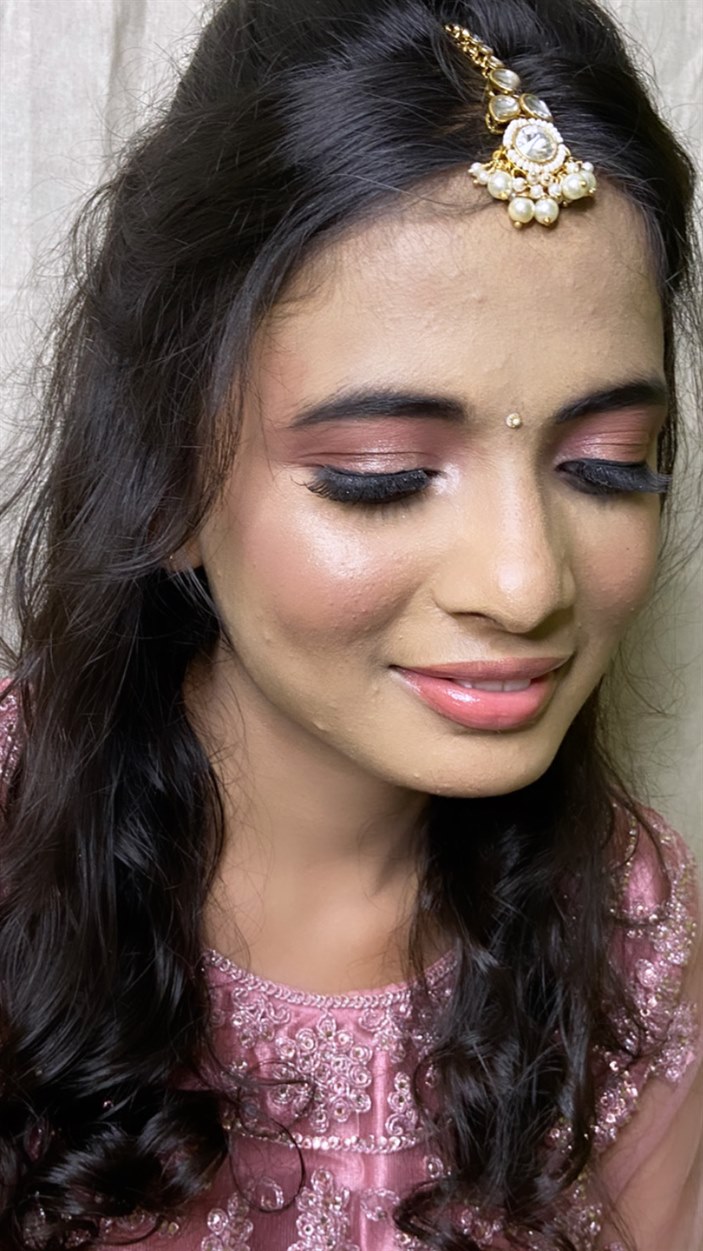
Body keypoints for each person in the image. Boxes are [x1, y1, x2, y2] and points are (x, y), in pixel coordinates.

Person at [0, 0, 701, 1248]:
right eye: (380, 475)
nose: (524, 584)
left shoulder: (636, 933)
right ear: (165, 476)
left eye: (606, 465)